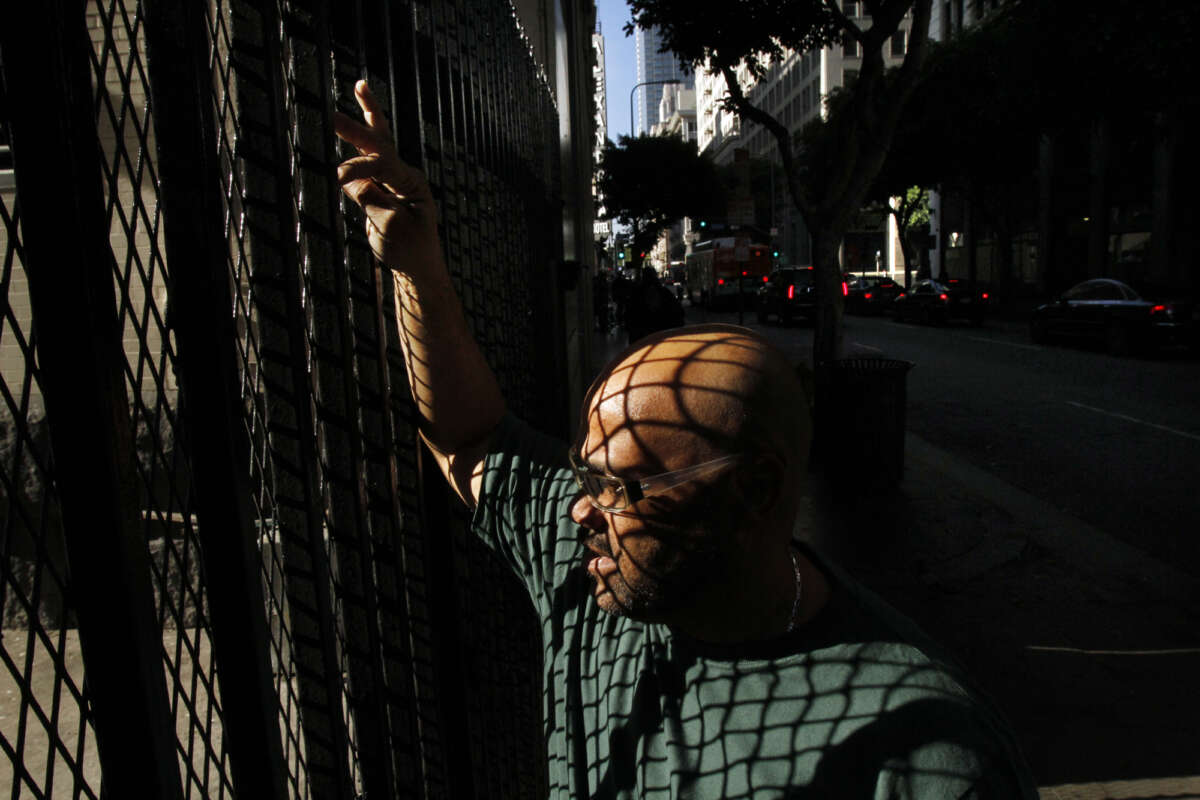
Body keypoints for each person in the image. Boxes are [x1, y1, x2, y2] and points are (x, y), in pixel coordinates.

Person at [334, 80, 1036, 798]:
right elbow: (471, 438)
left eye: (619, 486)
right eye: (584, 474)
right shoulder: (593, 570)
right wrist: (420, 269)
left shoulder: (926, 758)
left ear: (754, 491)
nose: (581, 511)